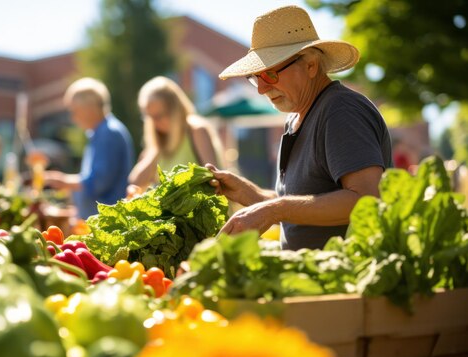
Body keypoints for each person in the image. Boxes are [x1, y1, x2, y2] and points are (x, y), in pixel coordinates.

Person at [208, 5, 392, 250]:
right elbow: (305, 204)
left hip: (351, 279)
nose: (262, 89)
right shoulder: (296, 117)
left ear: (311, 65)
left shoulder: (341, 110)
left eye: (271, 74)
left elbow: (366, 198)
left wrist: (273, 209)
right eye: (255, 77)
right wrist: (250, 195)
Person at [44, 77, 135, 219]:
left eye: (75, 111)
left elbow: (99, 182)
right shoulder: (100, 132)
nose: (73, 118)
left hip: (107, 223)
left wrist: (64, 181)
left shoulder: (108, 133)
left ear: (90, 108)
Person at [128, 76, 224, 189]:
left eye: (158, 116)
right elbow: (135, 183)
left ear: (175, 110)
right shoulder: (157, 143)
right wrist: (155, 150)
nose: (154, 124)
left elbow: (215, 179)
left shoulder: (196, 131)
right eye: (149, 118)